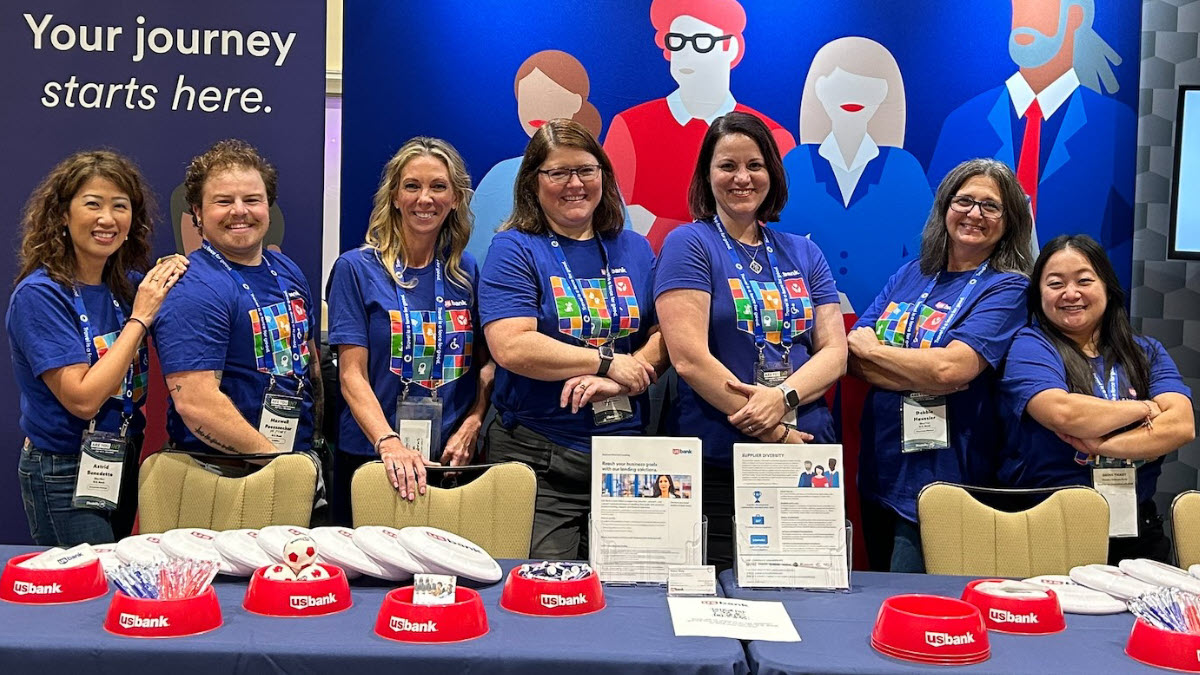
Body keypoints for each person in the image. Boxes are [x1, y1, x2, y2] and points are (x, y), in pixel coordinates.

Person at [656, 111, 847, 568]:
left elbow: (835, 351)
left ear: (772, 174)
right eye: (727, 166)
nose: (742, 177)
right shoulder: (690, 243)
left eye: (754, 165)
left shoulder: (804, 251)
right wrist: (772, 427)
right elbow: (688, 360)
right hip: (722, 459)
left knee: (808, 608)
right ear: (708, 174)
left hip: (807, 458)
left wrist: (781, 398)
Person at [480, 118, 668, 560]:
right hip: (540, 457)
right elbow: (512, 345)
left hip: (627, 458)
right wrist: (604, 363)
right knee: (548, 598)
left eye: (585, 170)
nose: (574, 184)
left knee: (631, 592)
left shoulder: (635, 248)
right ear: (533, 182)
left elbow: (667, 333)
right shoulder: (516, 248)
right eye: (558, 172)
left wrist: (621, 379)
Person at [847, 158, 1034, 573]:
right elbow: (854, 356)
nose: (974, 213)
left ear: (1010, 220)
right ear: (945, 207)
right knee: (875, 597)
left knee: (912, 601)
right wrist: (923, 370)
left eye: (990, 206)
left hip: (948, 478)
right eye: (964, 200)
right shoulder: (911, 274)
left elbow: (952, 370)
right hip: (882, 469)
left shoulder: (1008, 287)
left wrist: (884, 355)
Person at [7, 150, 188, 545]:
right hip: (64, 467)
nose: (108, 219)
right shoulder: (41, 295)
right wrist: (140, 318)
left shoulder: (125, 286)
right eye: (93, 204)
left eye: (120, 206)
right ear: (62, 216)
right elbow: (83, 399)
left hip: (121, 458)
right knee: (85, 589)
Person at [998, 235, 1194, 563]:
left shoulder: (1146, 351)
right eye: (1055, 283)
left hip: (1136, 530)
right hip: (1048, 526)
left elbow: (1181, 425)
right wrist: (1144, 408)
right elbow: (1064, 413)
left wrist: (1099, 447)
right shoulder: (1030, 346)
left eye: (1084, 280)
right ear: (1039, 295)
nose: (1071, 293)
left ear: (1107, 286)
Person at [327, 137, 492, 522]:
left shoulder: (466, 271)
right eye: (412, 186)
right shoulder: (356, 269)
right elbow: (351, 375)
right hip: (373, 457)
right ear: (395, 196)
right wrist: (389, 443)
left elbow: (487, 365)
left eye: (438, 186)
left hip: (449, 458)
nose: (425, 198)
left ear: (455, 199)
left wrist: (473, 421)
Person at [927, 0, 1134, 292]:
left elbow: (1137, 235)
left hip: (1069, 309)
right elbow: (935, 221)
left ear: (1074, 17)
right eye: (1019, 8)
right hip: (973, 304)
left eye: (1042, 10)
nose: (1026, 21)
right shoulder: (963, 121)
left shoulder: (1116, 124)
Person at [154, 140, 321, 474]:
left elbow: (310, 363)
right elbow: (197, 403)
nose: (240, 211)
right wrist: (279, 466)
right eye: (223, 201)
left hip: (294, 462)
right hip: (220, 473)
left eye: (252, 200)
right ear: (198, 213)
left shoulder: (286, 270)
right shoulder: (192, 286)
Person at [604, 0, 795, 249]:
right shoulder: (629, 126)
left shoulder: (773, 136)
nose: (686, 53)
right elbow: (614, 219)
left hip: (748, 278)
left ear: (731, 47)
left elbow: (777, 228)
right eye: (678, 41)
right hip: (650, 277)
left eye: (701, 41)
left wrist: (657, 225)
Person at [776, 36, 932, 315]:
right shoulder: (796, 165)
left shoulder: (904, 168)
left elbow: (924, 258)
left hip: (884, 324)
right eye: (839, 83)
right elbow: (775, 250)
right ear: (819, 90)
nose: (853, 95)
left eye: (868, 85)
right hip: (804, 321)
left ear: (885, 94)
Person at [469, 50, 602, 263]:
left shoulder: (629, 243)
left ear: (577, 102)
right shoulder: (499, 177)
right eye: (557, 173)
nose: (575, 183)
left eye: (552, 96)